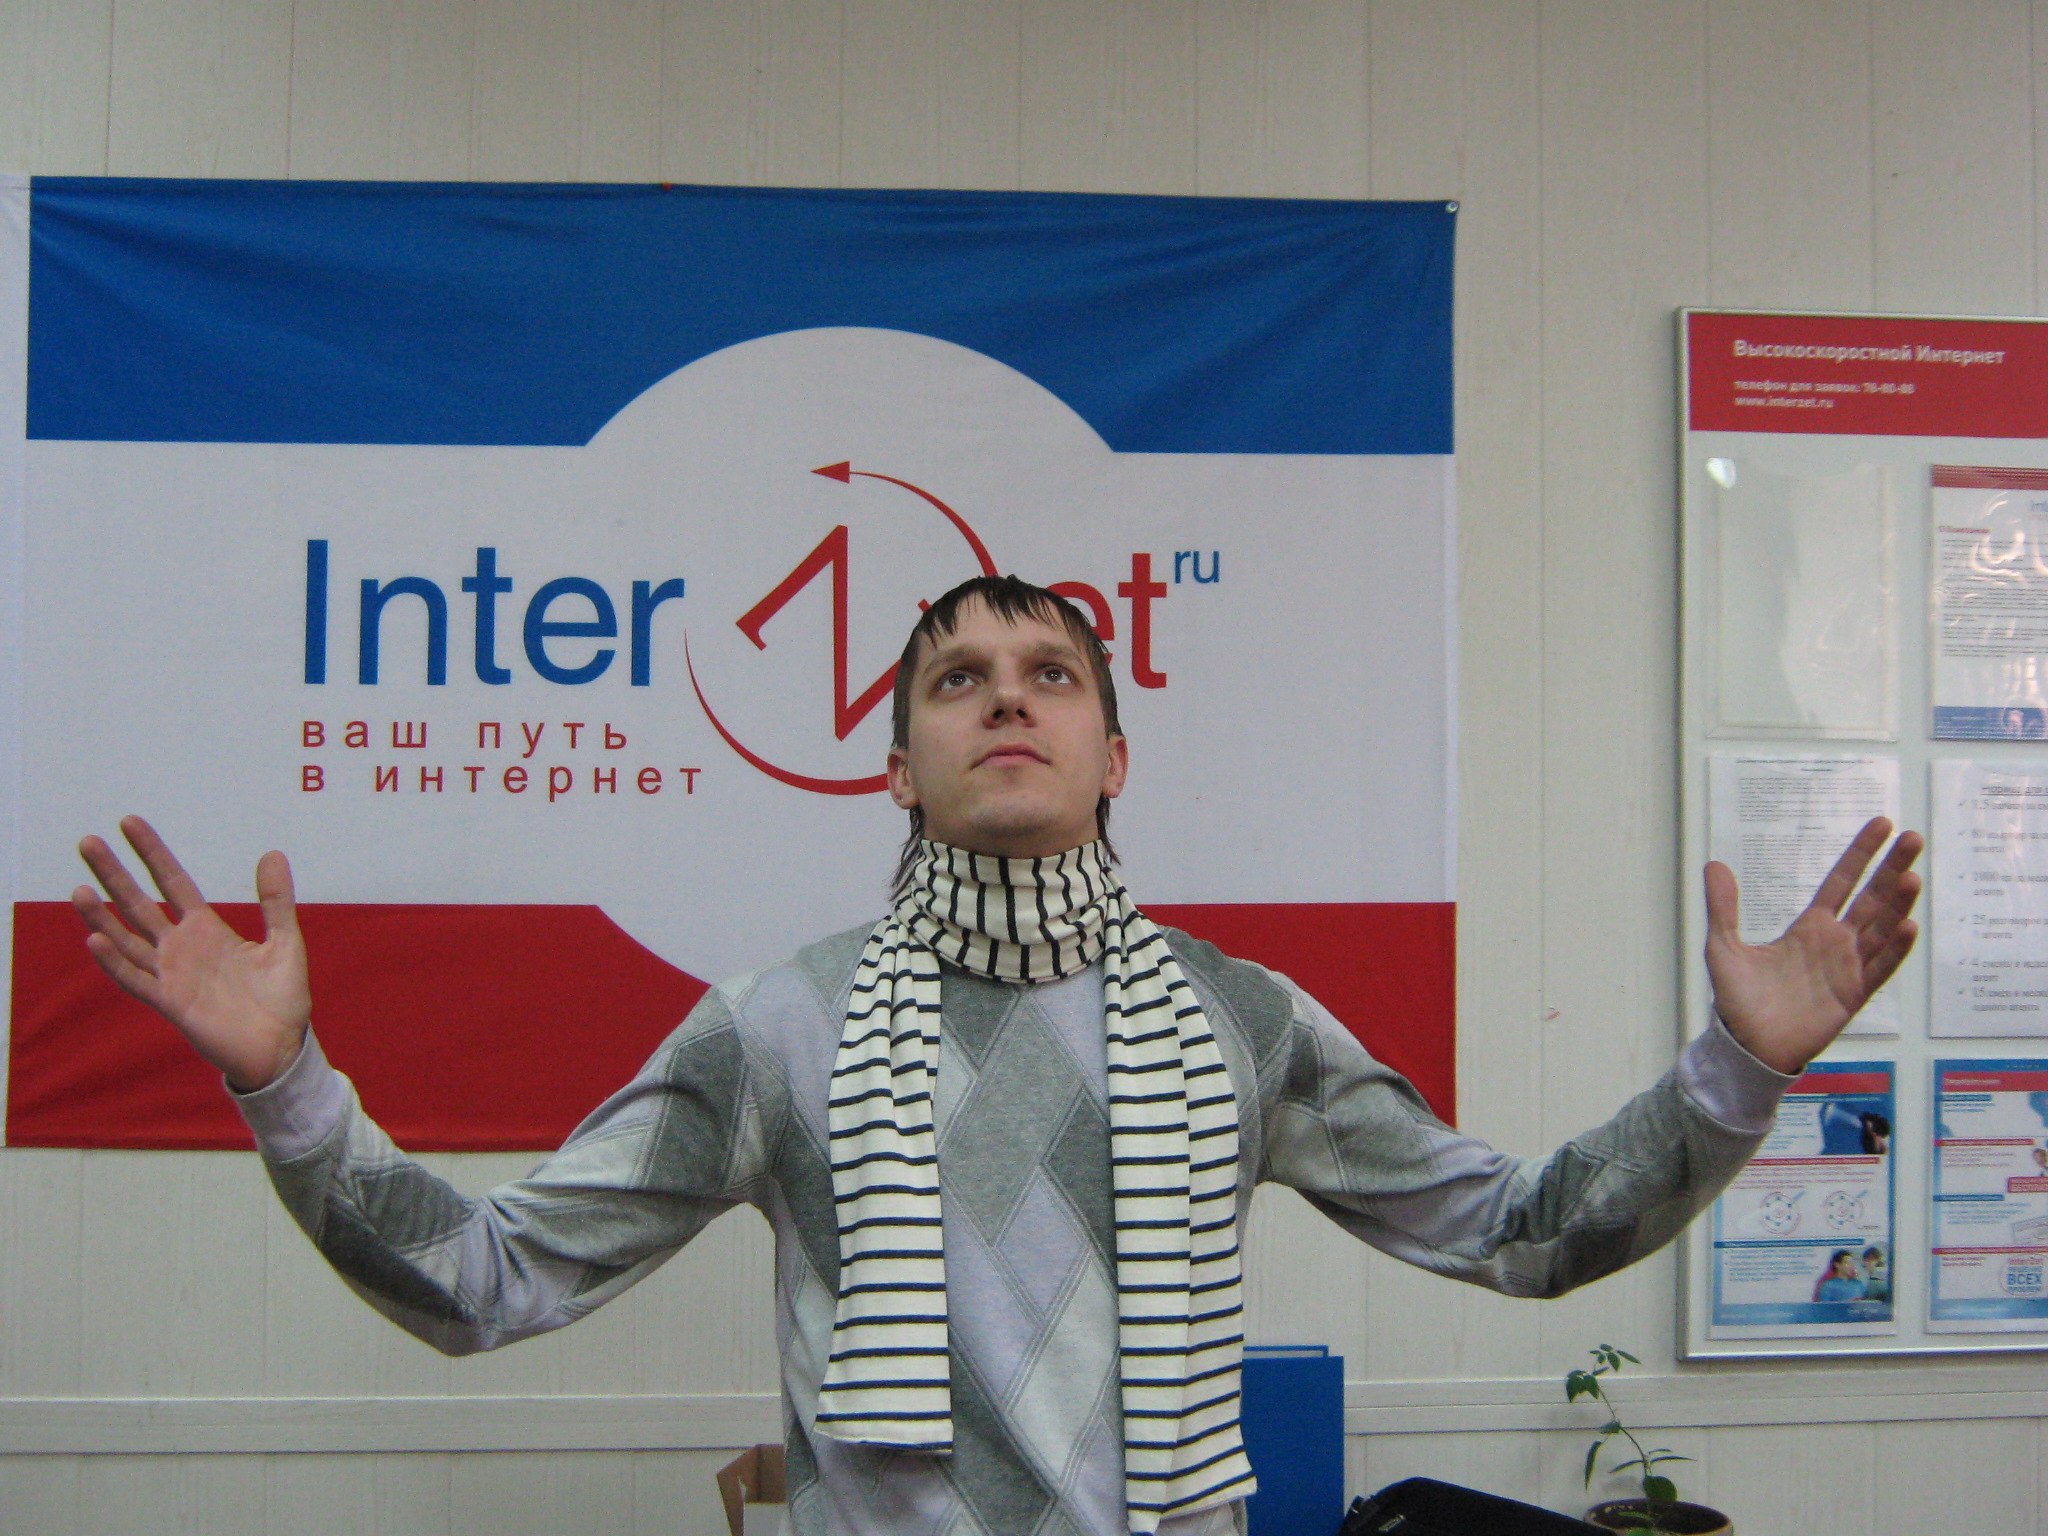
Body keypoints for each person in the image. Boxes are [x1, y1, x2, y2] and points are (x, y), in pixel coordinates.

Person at [72, 575, 1924, 1536]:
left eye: (1051, 676)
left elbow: (1521, 1232)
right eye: (959, 681)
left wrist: (1735, 1073)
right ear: (897, 766)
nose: (1007, 700)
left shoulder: (1244, 1019)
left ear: (1117, 754)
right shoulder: (775, 1027)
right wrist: (287, 1085)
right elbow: (483, 1285)